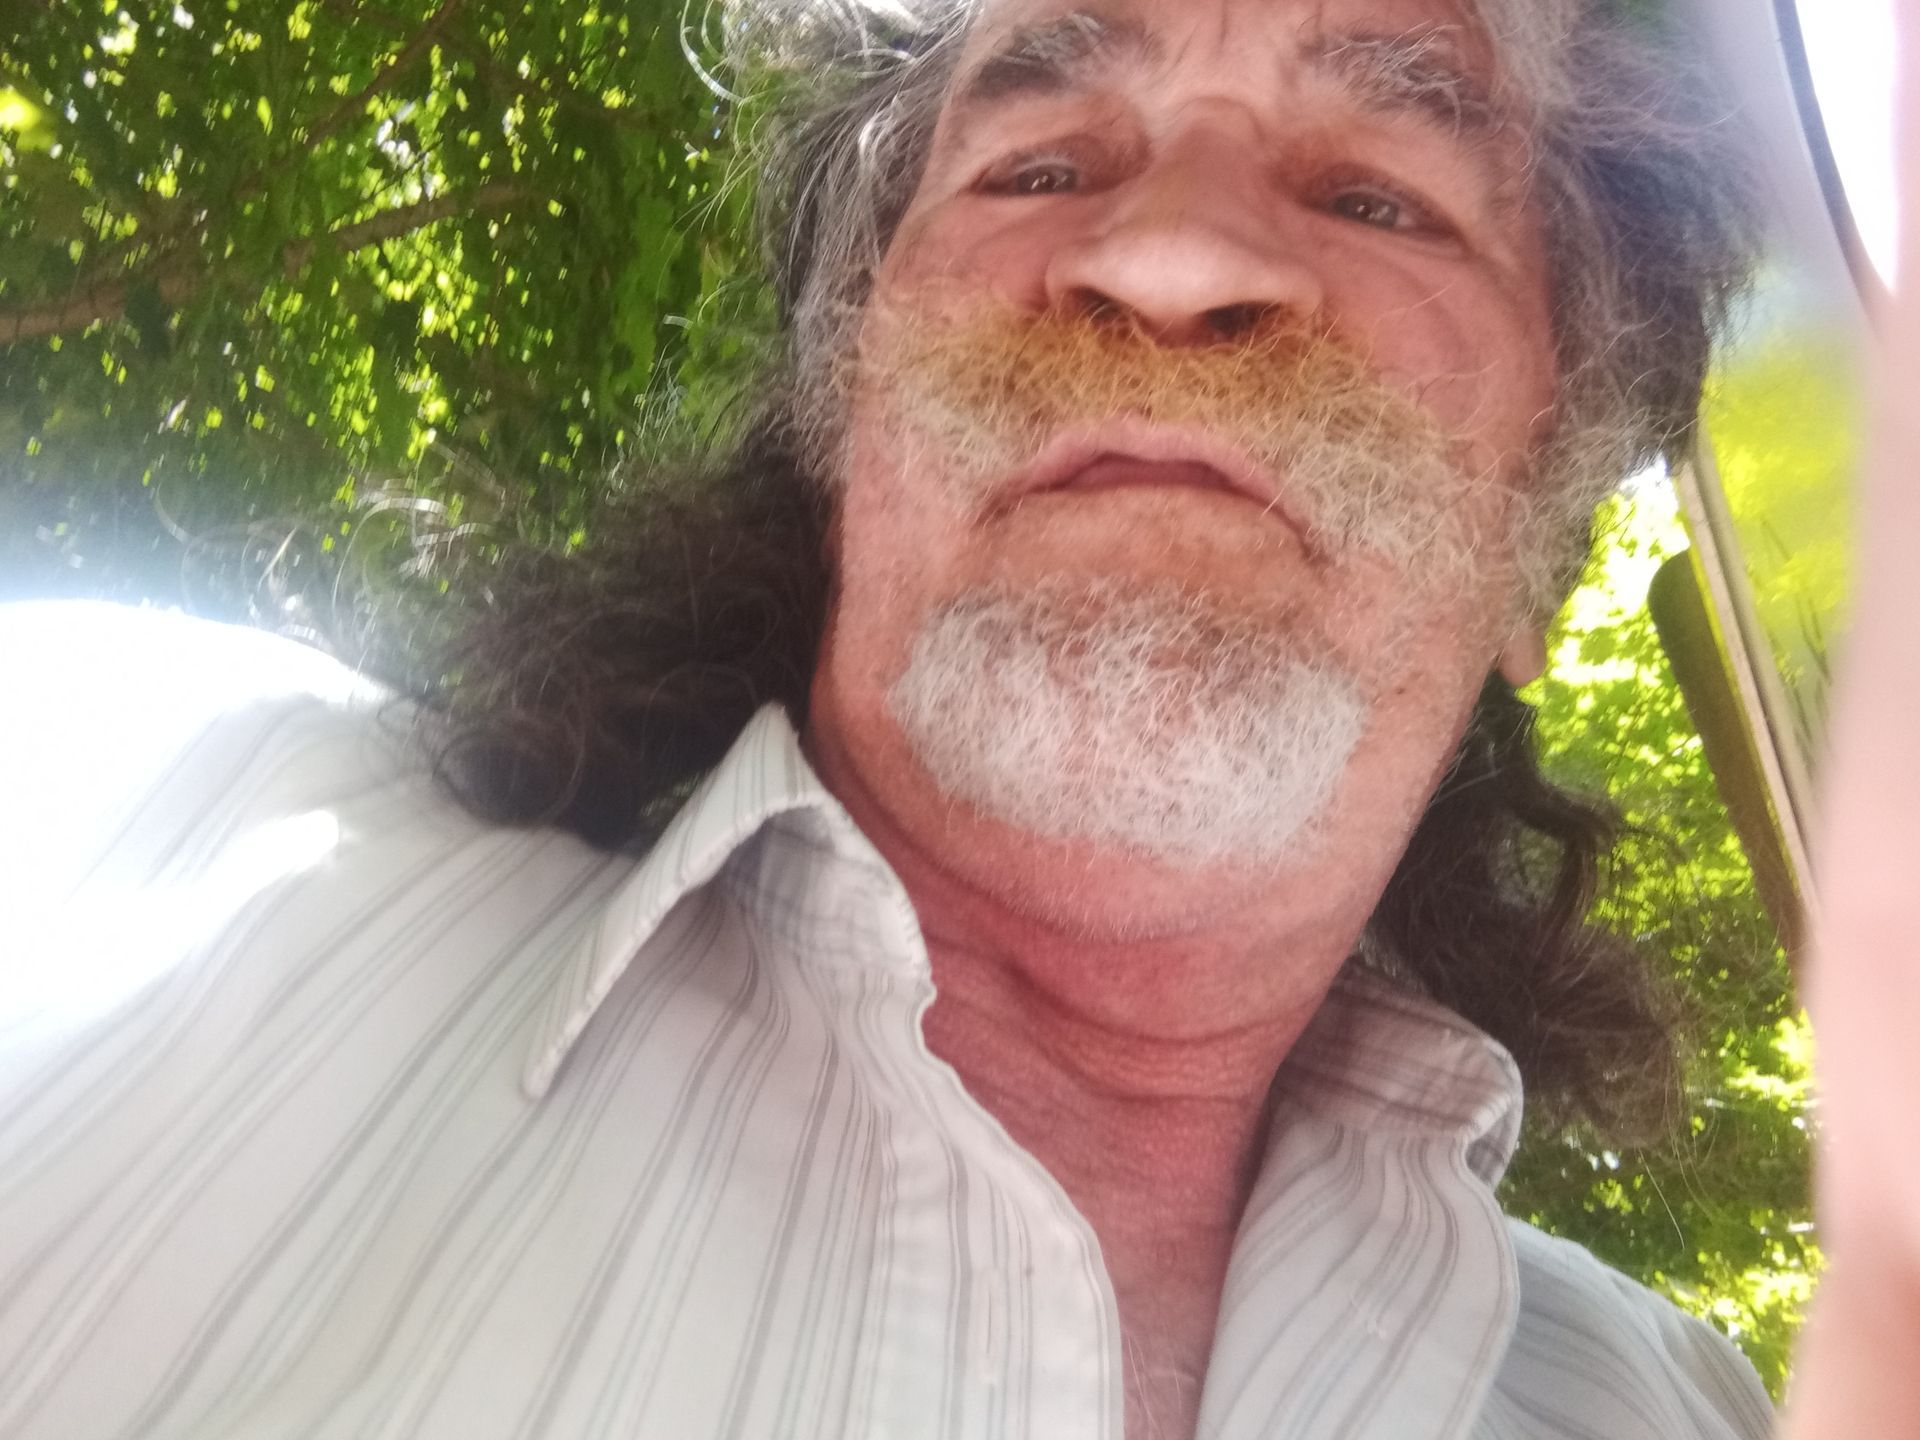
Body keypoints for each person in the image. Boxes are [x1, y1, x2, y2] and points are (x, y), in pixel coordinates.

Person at [0, 0, 1786, 1437]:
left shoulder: (1676, 1408)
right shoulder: (116, 822)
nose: (1170, 257)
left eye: (1378, 198)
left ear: (1542, 543)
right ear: (843, 423)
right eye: (1038, 165)